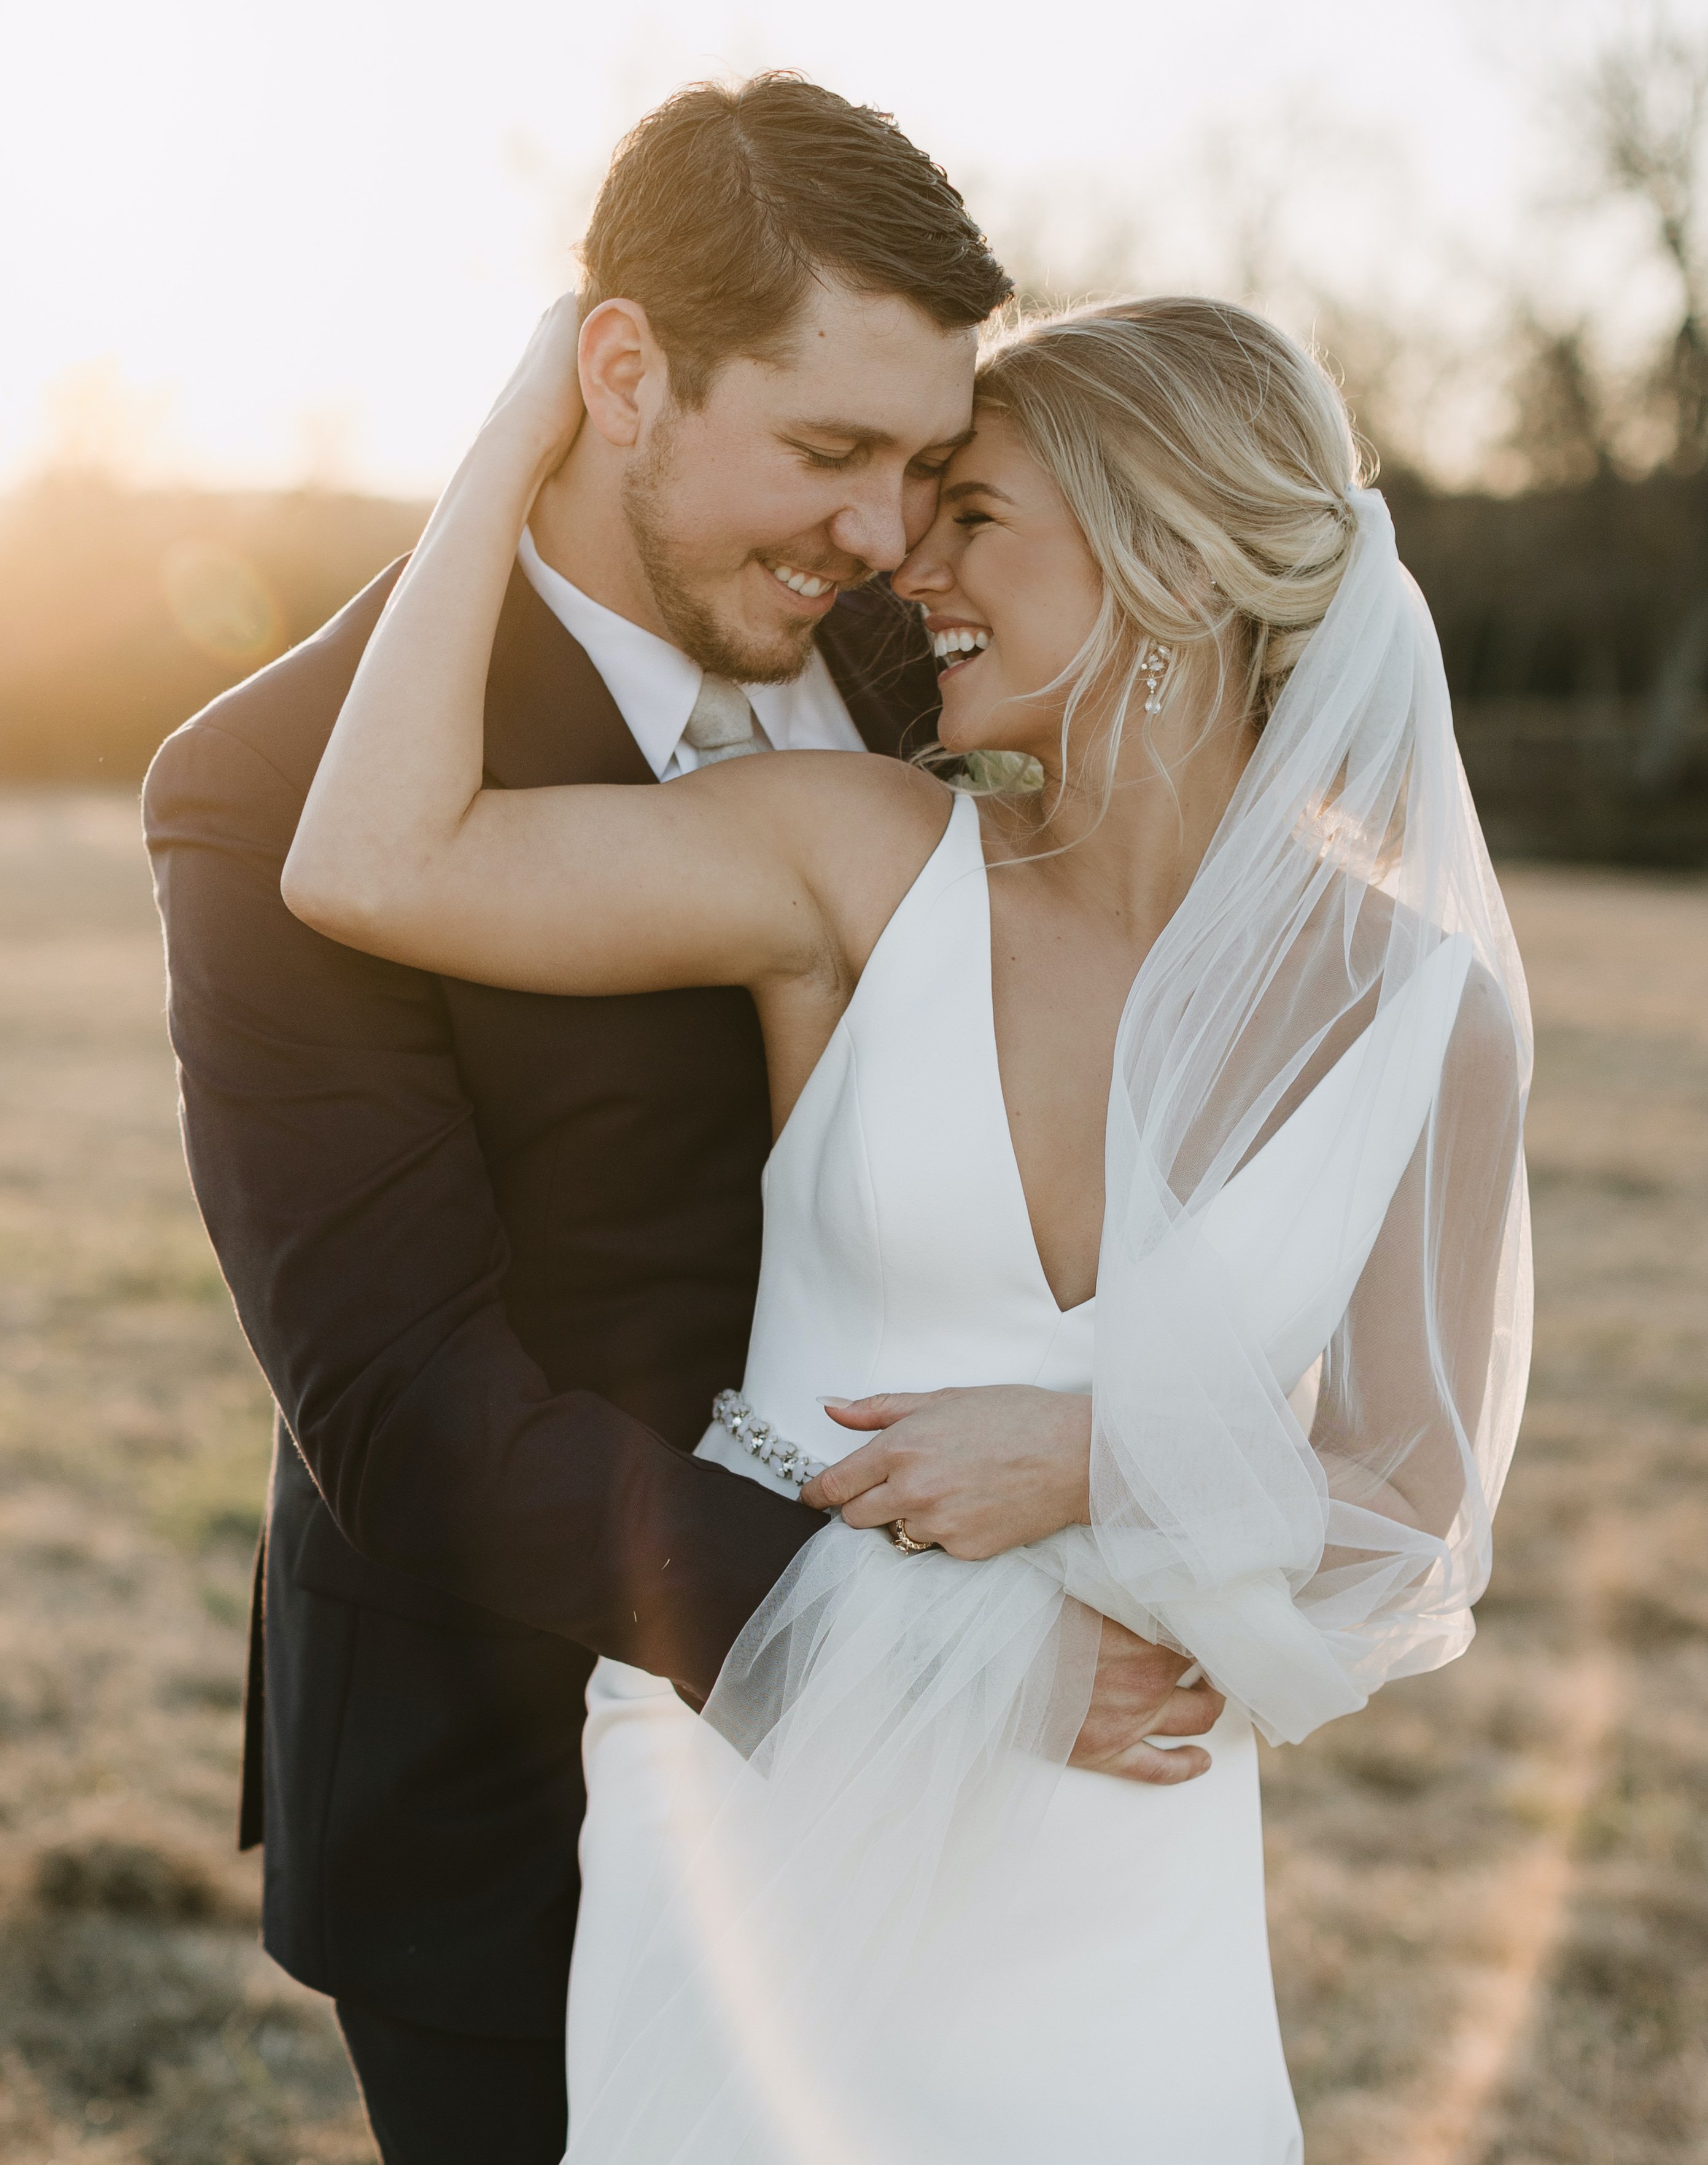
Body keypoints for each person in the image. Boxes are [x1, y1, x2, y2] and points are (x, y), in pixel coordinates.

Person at [284, 271, 1532, 2160]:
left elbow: (1411, 1514)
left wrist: (1109, 1459)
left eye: (974, 517)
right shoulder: (858, 856)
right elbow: (374, 862)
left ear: (1163, 566)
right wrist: (522, 430)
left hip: (1124, 1830)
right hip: (765, 1795)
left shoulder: (1424, 1013)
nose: (904, 567)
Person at [144, 76, 1206, 2165]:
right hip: (503, 1792)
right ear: (616, 375)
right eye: (825, 451)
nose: (887, 535)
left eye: (924, 463)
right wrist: (906, 1663)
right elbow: (402, 1405)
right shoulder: (273, 789)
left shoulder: (942, 656)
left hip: (986, 1790)